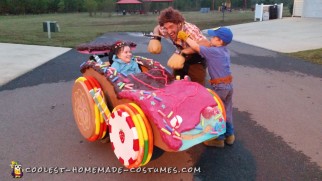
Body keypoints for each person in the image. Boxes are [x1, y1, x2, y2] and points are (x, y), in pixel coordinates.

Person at [177, 27, 235, 147]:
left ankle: (218, 139)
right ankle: (230, 135)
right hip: (229, 86)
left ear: (220, 41)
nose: (210, 38)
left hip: (220, 87)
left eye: (214, 37)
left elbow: (196, 47)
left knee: (216, 112)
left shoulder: (213, 52)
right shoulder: (224, 51)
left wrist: (185, 37)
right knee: (227, 110)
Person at [148, 7, 210, 85]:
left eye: (171, 27)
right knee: (175, 82)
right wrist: (156, 36)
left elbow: (207, 44)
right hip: (181, 57)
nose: (169, 31)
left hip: (196, 60)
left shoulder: (189, 29)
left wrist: (184, 51)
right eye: (166, 28)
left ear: (179, 23)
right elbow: (157, 27)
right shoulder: (166, 28)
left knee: (198, 87)